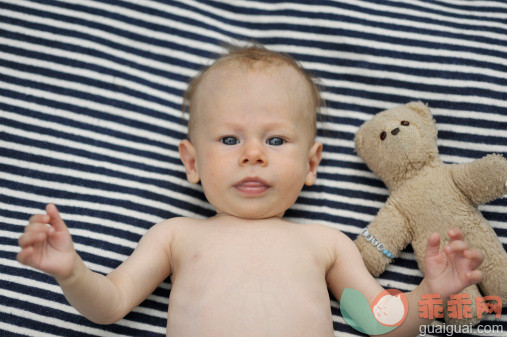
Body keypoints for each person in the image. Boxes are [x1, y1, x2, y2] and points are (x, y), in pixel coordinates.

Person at [17, 44, 484, 337]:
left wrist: (431, 292)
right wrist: (72, 272)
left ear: (311, 164)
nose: (253, 154)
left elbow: (377, 320)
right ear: (193, 162)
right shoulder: (176, 235)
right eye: (229, 139)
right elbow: (112, 304)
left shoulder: (325, 243)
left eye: (276, 140)